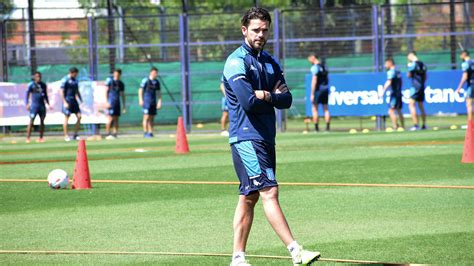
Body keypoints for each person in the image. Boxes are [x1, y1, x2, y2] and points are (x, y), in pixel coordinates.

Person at [222, 7, 320, 266]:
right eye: (255, 30)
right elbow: (247, 102)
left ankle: (238, 258)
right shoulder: (236, 62)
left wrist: (266, 95)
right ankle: (296, 251)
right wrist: (268, 96)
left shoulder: (270, 61)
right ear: (244, 30)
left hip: (265, 137)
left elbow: (286, 100)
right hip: (246, 137)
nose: (260, 34)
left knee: (249, 196)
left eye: (265, 30)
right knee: (269, 191)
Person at [25, 71, 52, 143]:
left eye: (40, 76)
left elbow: (45, 95)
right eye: (37, 77)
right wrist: (27, 104)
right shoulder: (31, 85)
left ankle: (41, 137)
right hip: (34, 106)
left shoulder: (43, 85)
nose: (38, 78)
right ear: (34, 77)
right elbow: (27, 95)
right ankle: (28, 138)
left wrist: (48, 104)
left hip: (42, 105)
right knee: (31, 121)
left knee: (42, 121)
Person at [379, 58, 405, 130]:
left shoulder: (391, 72)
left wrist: (383, 91)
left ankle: (395, 126)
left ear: (390, 63)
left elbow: (389, 82)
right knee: (399, 110)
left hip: (394, 94)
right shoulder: (398, 71)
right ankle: (403, 126)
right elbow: (401, 82)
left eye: (386, 63)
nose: (385, 65)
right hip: (399, 93)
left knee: (391, 111)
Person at [307, 54, 330, 132]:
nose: (309, 61)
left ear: (313, 57)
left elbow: (314, 80)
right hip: (325, 89)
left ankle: (316, 128)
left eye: (309, 58)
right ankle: (327, 128)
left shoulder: (315, 67)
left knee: (314, 109)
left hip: (318, 90)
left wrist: (312, 94)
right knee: (326, 109)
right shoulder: (324, 66)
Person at [139, 66, 162, 138]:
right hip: (146, 101)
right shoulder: (145, 80)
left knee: (152, 117)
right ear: (151, 72)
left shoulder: (157, 82)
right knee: (146, 117)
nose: (156, 74)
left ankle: (150, 132)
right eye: (155, 73)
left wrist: (159, 101)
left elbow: (159, 93)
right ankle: (145, 132)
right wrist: (140, 99)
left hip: (153, 102)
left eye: (156, 73)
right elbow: (140, 90)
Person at [407, 51, 428, 130]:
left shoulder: (412, 64)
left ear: (411, 55)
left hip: (415, 87)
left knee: (411, 104)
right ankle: (424, 124)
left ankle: (416, 125)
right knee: (421, 106)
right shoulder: (423, 64)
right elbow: (425, 76)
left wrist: (408, 66)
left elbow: (409, 75)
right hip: (422, 86)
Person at [61, 67, 82, 142]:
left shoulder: (75, 80)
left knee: (79, 116)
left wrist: (80, 99)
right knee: (67, 118)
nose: (76, 75)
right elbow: (62, 91)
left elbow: (77, 90)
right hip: (67, 100)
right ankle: (66, 135)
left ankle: (75, 134)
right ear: (72, 73)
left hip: (74, 101)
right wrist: (64, 102)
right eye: (75, 74)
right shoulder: (65, 80)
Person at [105, 69, 126, 139]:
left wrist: (124, 105)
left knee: (116, 118)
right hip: (111, 102)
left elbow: (122, 95)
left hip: (117, 102)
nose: (116, 75)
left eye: (118, 74)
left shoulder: (121, 83)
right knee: (110, 118)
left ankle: (115, 133)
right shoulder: (110, 81)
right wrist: (107, 102)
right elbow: (106, 92)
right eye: (115, 73)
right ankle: (107, 134)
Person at [456, 50, 474, 121]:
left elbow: (465, 77)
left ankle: (470, 124)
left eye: (461, 55)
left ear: (464, 55)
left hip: (471, 85)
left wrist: (459, 88)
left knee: (469, 105)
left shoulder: (465, 64)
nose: (460, 57)